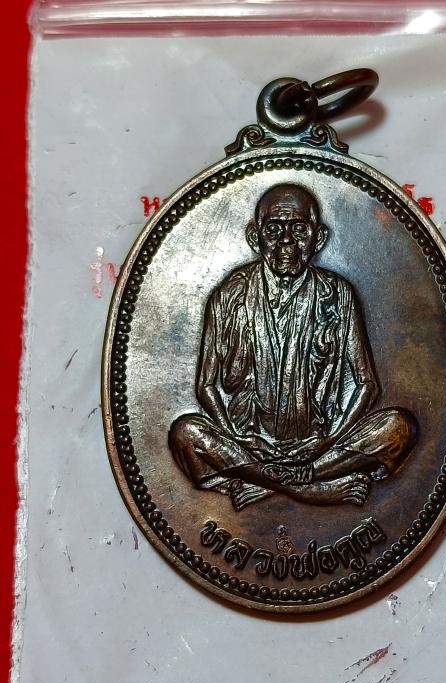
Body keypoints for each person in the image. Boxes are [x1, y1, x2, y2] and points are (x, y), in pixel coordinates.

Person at [169, 184, 418, 511]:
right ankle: (313, 489)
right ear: (255, 238)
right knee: (185, 433)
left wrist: (328, 441)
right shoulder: (228, 295)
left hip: (320, 445)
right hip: (248, 445)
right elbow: (205, 385)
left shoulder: (338, 294)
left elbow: (366, 385)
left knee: (398, 428)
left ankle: (269, 483)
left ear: (319, 238)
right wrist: (238, 437)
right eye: (274, 230)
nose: (286, 240)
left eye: (299, 229)